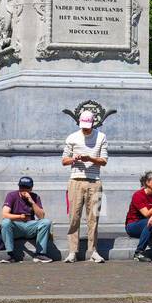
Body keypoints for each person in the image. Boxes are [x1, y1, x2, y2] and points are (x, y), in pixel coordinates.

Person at [62, 110, 108, 263]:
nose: (86, 129)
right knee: (74, 217)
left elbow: (104, 160)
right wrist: (73, 159)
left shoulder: (101, 137)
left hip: (95, 181)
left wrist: (90, 158)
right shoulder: (72, 137)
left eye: (88, 126)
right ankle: (72, 251)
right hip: (75, 180)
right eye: (83, 126)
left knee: (93, 218)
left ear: (93, 123)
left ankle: (93, 250)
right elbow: (64, 161)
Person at [0, 176, 54, 263]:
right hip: (16, 226)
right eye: (21, 187)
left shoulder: (35, 197)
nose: (23, 190)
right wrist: (19, 217)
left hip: (30, 226)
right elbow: (5, 214)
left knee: (46, 222)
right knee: (5, 222)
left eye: (26, 188)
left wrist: (31, 201)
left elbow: (41, 216)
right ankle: (11, 255)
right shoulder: (11, 195)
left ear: (31, 188)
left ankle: (40, 254)